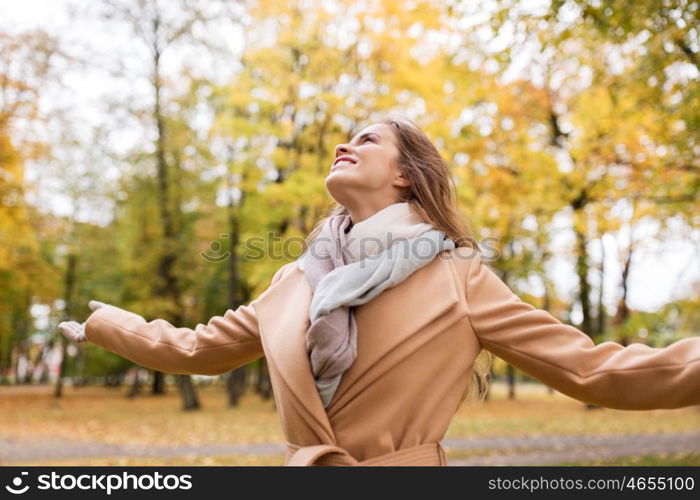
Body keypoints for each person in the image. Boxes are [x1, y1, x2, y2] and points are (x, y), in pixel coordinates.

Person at [59, 114, 700, 466]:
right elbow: (201, 349)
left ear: (403, 176)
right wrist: (109, 327)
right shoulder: (295, 280)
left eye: (368, 138)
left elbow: (592, 370)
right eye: (348, 135)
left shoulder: (459, 277)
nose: (345, 142)